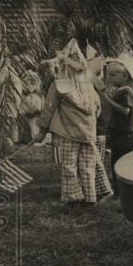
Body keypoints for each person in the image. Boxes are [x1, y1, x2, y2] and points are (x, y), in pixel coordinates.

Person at [34, 39, 108, 207]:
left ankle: (74, 198)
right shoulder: (89, 85)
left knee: (69, 166)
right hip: (88, 132)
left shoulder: (59, 84)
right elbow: (97, 108)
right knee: (87, 165)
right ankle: (90, 197)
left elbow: (49, 109)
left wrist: (42, 131)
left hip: (67, 132)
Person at [99, 54, 133, 181]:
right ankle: (118, 185)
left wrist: (107, 99)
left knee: (124, 159)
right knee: (116, 158)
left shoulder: (127, 91)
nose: (109, 78)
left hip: (126, 132)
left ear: (125, 75)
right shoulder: (119, 90)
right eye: (108, 75)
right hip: (117, 130)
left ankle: (126, 183)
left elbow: (125, 111)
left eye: (113, 75)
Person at [19, 71, 45, 145]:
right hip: (28, 99)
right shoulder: (25, 80)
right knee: (26, 120)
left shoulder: (36, 81)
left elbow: (38, 90)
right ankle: (26, 138)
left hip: (33, 99)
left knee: (33, 120)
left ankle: (33, 138)